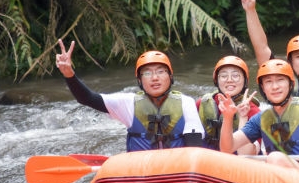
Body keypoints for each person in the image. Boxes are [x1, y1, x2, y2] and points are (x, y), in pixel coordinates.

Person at [55, 39, 204, 151]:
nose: (154, 78)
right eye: (147, 73)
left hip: (178, 171)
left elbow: (195, 147)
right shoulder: (128, 103)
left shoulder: (185, 102)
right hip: (141, 172)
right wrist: (69, 74)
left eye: (160, 71)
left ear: (170, 77)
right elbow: (87, 98)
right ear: (139, 80)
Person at [218, 59, 299, 169]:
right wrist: (228, 117)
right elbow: (227, 148)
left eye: (280, 80)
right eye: (268, 82)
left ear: (290, 84)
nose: (275, 87)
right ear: (263, 88)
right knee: (274, 159)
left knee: (275, 158)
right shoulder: (261, 119)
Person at [197, 55, 260, 155]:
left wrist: (243, 117)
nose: (229, 80)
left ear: (245, 81)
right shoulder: (202, 103)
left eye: (235, 75)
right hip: (208, 160)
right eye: (223, 76)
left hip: (236, 162)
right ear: (216, 80)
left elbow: (251, 153)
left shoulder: (253, 110)